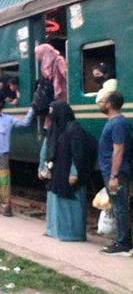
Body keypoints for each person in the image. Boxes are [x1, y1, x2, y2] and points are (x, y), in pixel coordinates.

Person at [38, 101, 94, 242]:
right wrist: (41, 168)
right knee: (55, 202)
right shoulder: (53, 129)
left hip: (68, 173)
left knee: (70, 204)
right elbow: (45, 149)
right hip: (56, 172)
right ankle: (54, 230)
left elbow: (79, 152)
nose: (50, 115)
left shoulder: (74, 128)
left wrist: (74, 171)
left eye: (52, 111)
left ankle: (72, 234)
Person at [97, 91, 132, 256]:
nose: (100, 104)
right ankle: (122, 241)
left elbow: (118, 151)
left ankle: (123, 244)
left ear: (109, 104)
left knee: (119, 207)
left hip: (115, 174)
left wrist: (113, 176)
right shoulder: (115, 122)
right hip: (113, 173)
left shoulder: (117, 123)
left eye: (102, 101)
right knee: (119, 206)